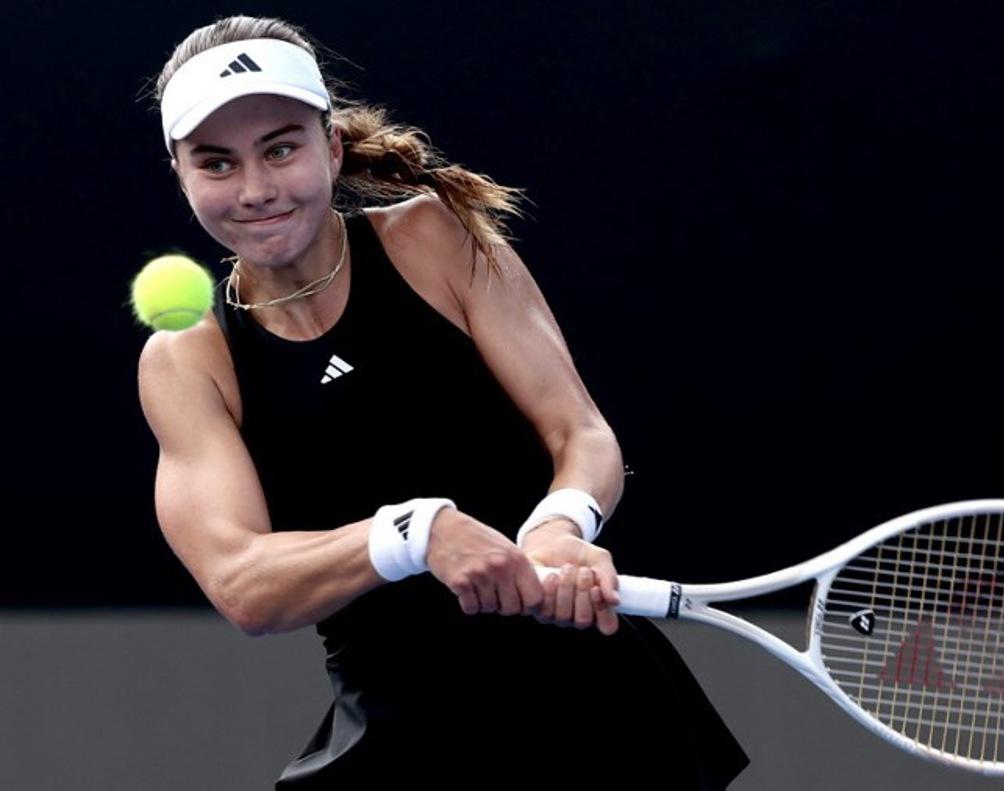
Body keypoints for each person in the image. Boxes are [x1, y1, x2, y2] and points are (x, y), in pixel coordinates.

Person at [139, 15, 749, 789]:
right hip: (402, 731)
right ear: (181, 175)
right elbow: (243, 582)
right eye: (217, 162)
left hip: (596, 712)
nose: (256, 190)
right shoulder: (188, 358)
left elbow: (580, 430)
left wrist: (559, 524)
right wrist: (416, 532)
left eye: (281, 148)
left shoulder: (428, 238)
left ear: (330, 146)